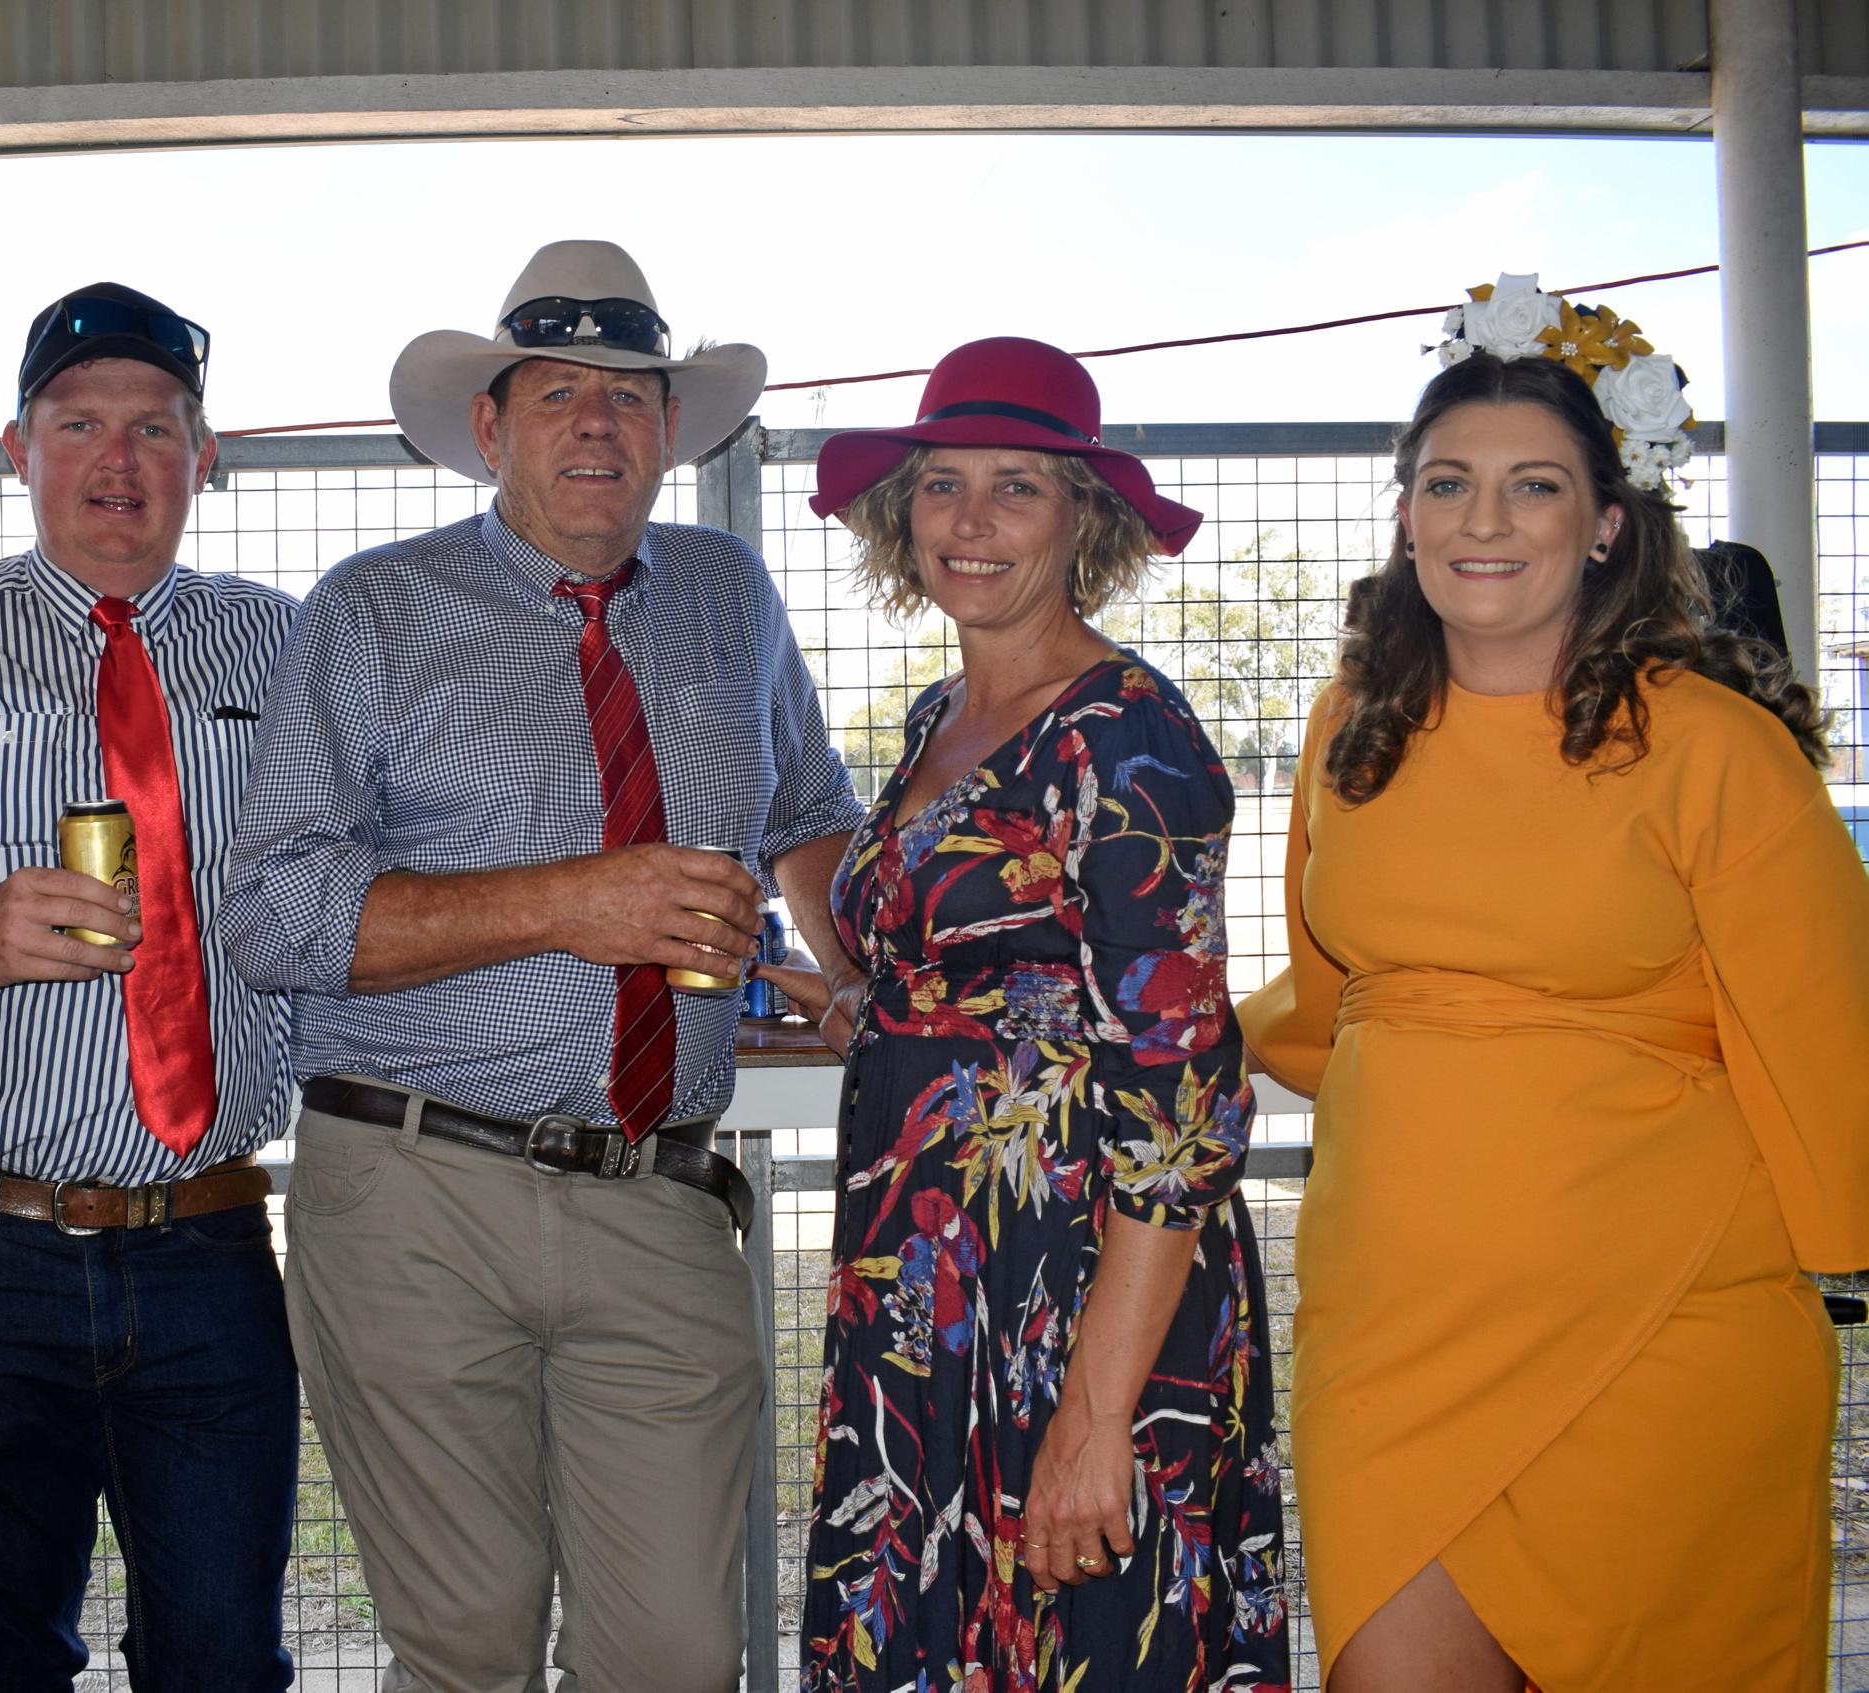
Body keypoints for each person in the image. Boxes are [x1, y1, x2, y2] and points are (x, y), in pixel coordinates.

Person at [221, 238, 867, 1691]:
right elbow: (273, 913)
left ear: (666, 432)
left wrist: (854, 972)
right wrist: (570, 904)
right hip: (412, 1193)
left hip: (658, 1196)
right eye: (556, 390)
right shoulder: (372, 611)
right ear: (487, 429)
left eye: (628, 395)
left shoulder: (728, 594)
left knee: (681, 1653)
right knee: (469, 1642)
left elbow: (811, 815)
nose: (595, 422)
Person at [1239, 282, 1869, 1690]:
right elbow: (1334, 987)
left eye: (1532, 487)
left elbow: (1833, 1026)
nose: (1481, 519)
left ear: (1603, 524)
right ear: (1403, 514)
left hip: (1666, 1330)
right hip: (1390, 1329)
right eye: (1446, 483)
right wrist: (1175, 1051)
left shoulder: (1716, 749)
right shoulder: (1350, 721)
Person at [767, 338, 1289, 1691]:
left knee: (1084, 1645)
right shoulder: (948, 710)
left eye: (1017, 486)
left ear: (1084, 519)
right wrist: (856, 1016)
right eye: (941, 484)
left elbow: (1181, 1105)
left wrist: (1092, 1417)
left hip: (1075, 1291)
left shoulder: (1130, 737)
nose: (972, 520)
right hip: (927, 1280)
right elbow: (979, 988)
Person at [0, 283, 301, 1691]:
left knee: (224, 1659)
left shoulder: (286, 650)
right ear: (15, 448)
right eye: (80, 423)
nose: (119, 459)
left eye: (156, 428)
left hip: (210, 1240)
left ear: (205, 457)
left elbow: (366, 882)